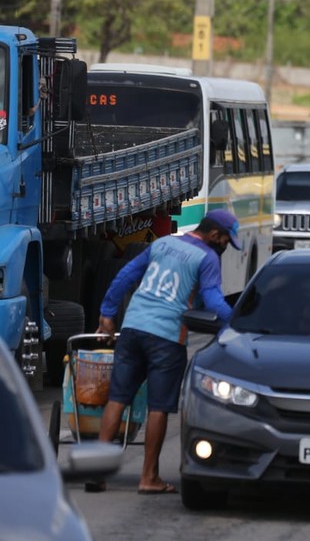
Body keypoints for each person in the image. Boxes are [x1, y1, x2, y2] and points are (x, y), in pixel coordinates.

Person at [85, 209, 240, 494]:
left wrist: (107, 313)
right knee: (159, 407)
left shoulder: (162, 243)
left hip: (132, 328)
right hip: (167, 338)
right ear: (216, 235)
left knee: (117, 399)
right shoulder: (206, 258)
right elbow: (213, 300)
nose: (225, 247)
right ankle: (149, 477)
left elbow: (125, 275)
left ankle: (98, 471)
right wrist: (237, 325)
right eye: (227, 242)